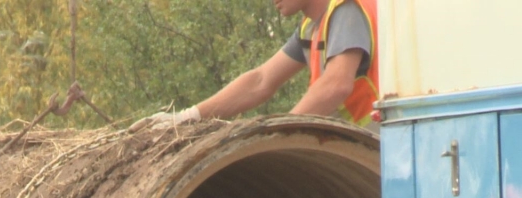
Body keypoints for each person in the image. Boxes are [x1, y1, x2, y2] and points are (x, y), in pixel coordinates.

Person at [137, 0, 378, 130]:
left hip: (386, 150)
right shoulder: (311, 27)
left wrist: (278, 133)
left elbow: (336, 84)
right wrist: (187, 117)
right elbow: (261, 80)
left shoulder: (347, 9)